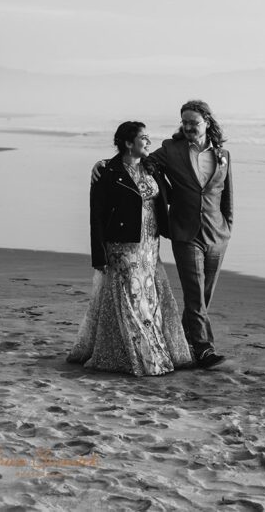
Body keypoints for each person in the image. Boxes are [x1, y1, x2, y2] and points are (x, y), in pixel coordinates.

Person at [91, 100, 233, 369]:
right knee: (194, 295)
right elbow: (133, 159)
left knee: (203, 295)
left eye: (195, 122)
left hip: (217, 234)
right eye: (185, 122)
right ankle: (205, 350)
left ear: (208, 123)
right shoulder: (171, 150)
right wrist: (101, 164)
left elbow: (227, 195)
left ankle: (183, 341)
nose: (189, 126)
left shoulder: (223, 154)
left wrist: (228, 225)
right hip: (185, 232)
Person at [68, 121, 194, 376]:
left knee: (149, 298)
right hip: (122, 245)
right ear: (128, 143)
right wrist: (98, 256)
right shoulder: (107, 172)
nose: (148, 142)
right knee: (131, 299)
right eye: (143, 138)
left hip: (150, 245)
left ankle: (136, 350)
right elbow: (97, 216)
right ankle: (147, 356)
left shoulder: (152, 166)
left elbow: (177, 158)